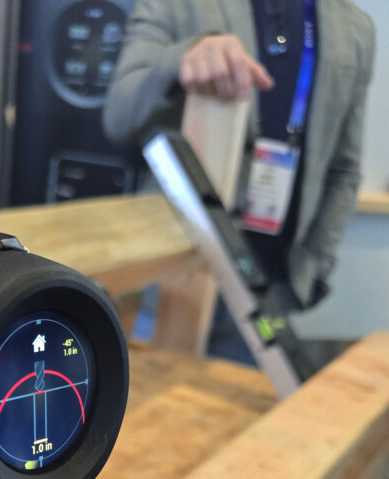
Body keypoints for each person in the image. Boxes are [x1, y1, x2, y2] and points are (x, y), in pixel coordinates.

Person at [103, 0, 375, 322]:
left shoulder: (356, 28)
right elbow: (119, 116)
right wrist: (182, 59)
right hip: (171, 283)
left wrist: (316, 262)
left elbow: (343, 169)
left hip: (274, 292)